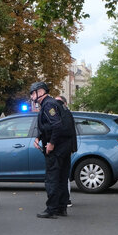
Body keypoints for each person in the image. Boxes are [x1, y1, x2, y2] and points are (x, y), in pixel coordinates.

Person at [31, 81, 75, 218]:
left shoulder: (48, 104)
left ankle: (51, 209)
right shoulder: (53, 103)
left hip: (57, 149)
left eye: (33, 93)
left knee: (52, 178)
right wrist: (39, 137)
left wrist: (51, 143)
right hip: (65, 147)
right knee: (62, 177)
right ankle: (61, 208)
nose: (32, 96)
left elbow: (56, 125)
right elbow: (48, 126)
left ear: (40, 92)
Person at [55, 95, 77, 208]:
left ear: (64, 104)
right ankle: (64, 199)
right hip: (66, 148)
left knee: (63, 175)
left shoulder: (65, 114)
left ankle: (65, 199)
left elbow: (70, 132)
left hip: (63, 148)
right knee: (63, 175)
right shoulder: (66, 114)